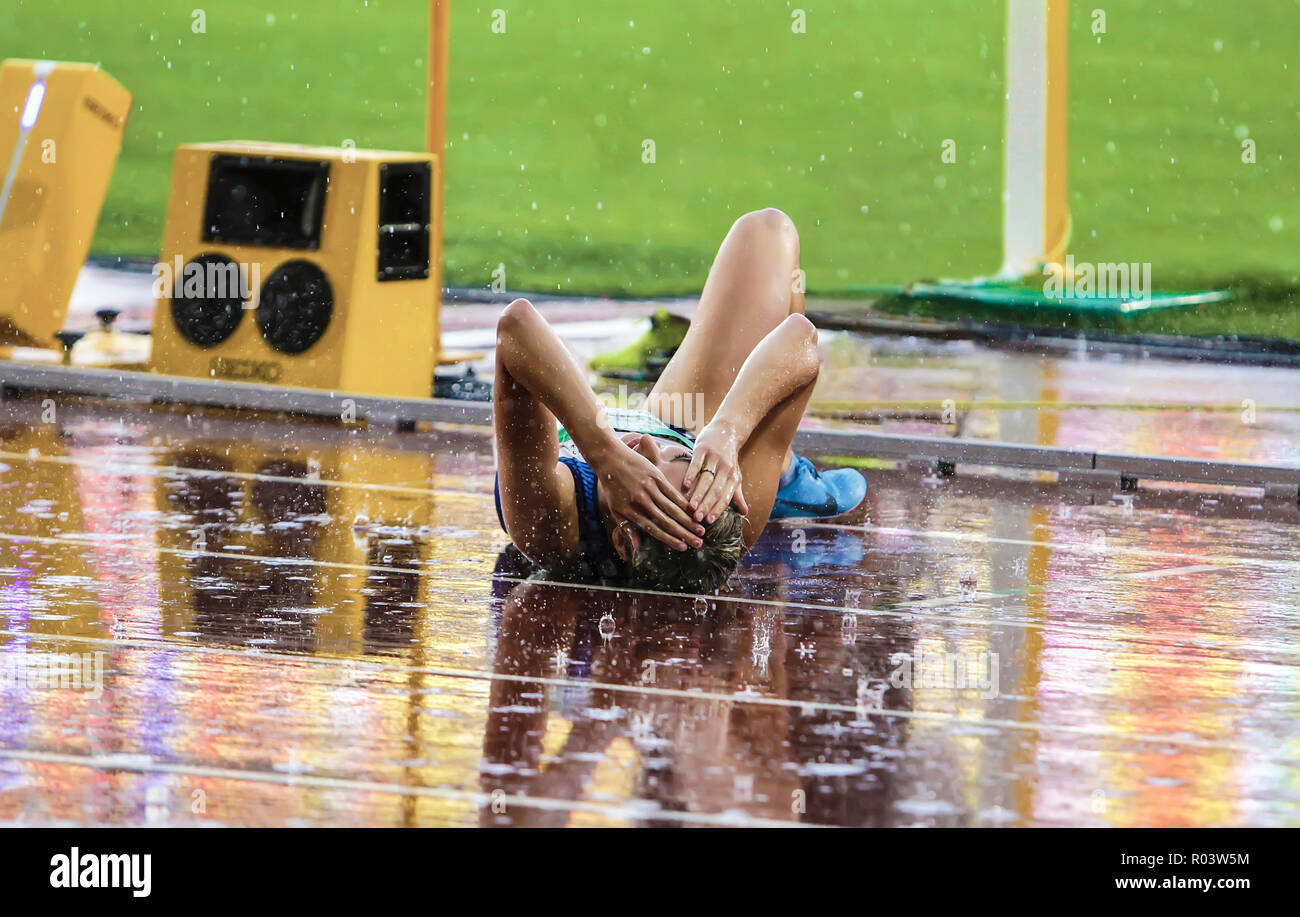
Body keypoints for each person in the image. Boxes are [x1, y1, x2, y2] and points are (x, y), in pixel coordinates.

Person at [492, 208, 866, 592]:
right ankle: (780, 467)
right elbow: (800, 340)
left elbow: (516, 327)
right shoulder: (739, 505)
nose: (648, 444)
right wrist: (727, 431)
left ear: (624, 540)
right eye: (683, 459)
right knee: (769, 231)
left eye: (646, 477)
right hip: (686, 422)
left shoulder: (551, 523)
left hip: (629, 431)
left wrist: (606, 455)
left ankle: (754, 452)